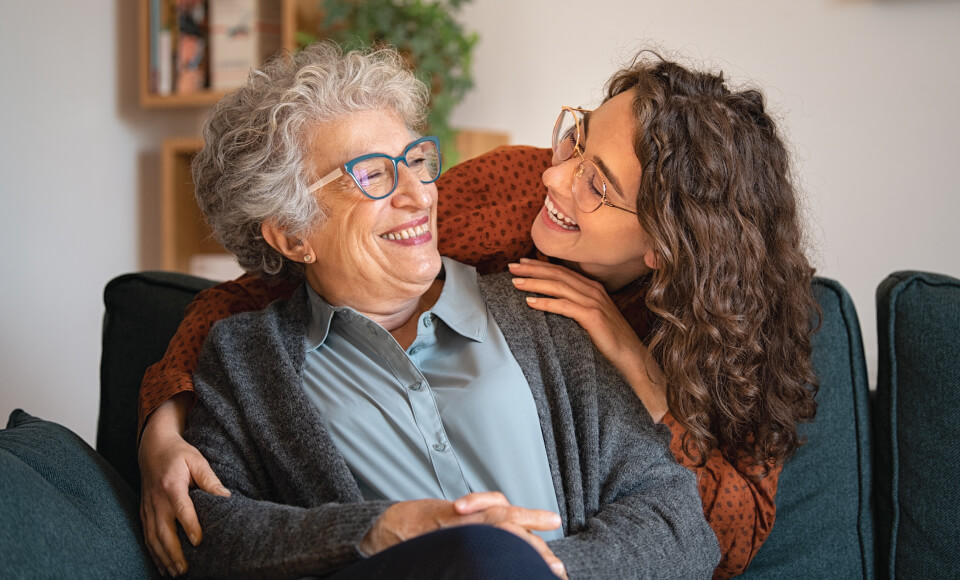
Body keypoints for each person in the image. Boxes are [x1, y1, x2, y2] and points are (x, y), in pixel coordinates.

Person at [138, 50, 818, 578]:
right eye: (373, 174)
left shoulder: (560, 322)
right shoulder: (512, 199)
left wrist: (537, 568)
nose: (418, 193)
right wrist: (161, 426)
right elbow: (212, 528)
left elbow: (698, 530)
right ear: (292, 232)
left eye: (415, 163)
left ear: (667, 247)